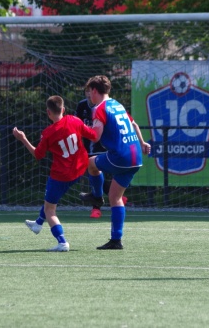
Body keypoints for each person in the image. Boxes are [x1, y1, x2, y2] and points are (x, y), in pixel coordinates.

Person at [13, 95, 97, 252]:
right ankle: (38, 224)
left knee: (50, 209)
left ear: (48, 112)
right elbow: (93, 135)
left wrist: (23, 138)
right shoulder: (75, 120)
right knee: (49, 200)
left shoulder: (48, 133)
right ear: (63, 109)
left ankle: (62, 242)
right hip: (79, 170)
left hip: (61, 175)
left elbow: (38, 155)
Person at [79, 75, 151, 250]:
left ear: (95, 91)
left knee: (90, 163)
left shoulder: (99, 108)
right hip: (135, 157)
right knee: (115, 197)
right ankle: (116, 240)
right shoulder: (117, 105)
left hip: (120, 156)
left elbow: (95, 135)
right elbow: (134, 125)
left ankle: (96, 196)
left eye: (90, 93)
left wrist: (78, 128)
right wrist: (142, 143)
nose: (89, 96)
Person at [75, 90, 128, 219]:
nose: (89, 94)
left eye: (91, 92)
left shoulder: (106, 107)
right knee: (94, 173)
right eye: (87, 91)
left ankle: (97, 207)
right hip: (88, 147)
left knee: (95, 172)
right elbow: (76, 125)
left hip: (103, 147)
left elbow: (130, 123)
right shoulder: (82, 106)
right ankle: (114, 197)